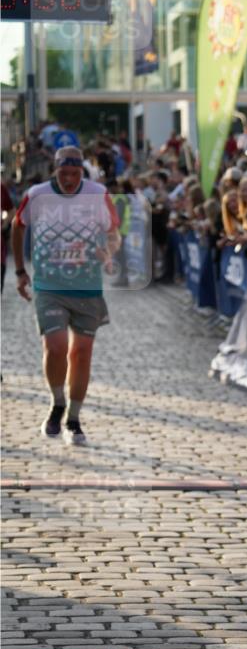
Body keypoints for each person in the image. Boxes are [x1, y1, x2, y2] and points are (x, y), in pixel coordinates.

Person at [11, 144, 120, 444]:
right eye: (63, 173)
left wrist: (108, 253)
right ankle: (57, 402)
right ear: (55, 170)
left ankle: (74, 417)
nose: (69, 179)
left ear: (82, 171)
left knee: (81, 353)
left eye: (74, 173)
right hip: (49, 285)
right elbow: (16, 226)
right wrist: (21, 271)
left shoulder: (98, 194)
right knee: (56, 347)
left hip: (87, 285)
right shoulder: (37, 195)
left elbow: (114, 234)